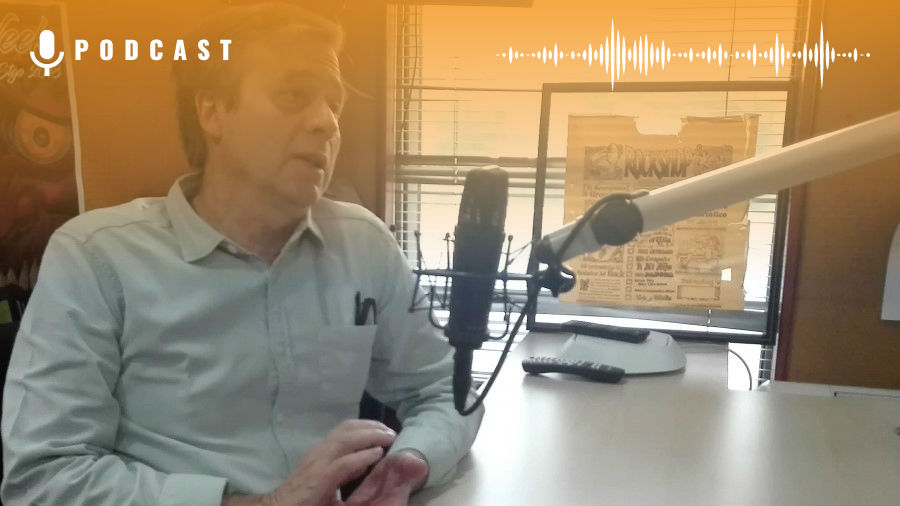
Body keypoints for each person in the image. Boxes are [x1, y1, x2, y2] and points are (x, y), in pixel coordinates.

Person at [0, 3, 483, 505]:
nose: (326, 122)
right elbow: (42, 479)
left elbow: (448, 391)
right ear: (212, 112)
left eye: (334, 104)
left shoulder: (363, 244)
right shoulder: (95, 258)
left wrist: (411, 461)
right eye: (293, 95)